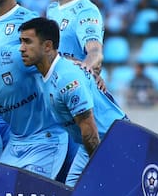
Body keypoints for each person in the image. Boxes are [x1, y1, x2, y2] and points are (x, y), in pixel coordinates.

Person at [0, 8, 67, 177]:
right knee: (1, 195)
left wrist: (85, 68)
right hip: (16, 143)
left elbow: (58, 63)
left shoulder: (18, 56)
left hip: (47, 138)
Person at [19, 17, 127, 187]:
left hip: (110, 141)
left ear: (47, 46)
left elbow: (89, 131)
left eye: (27, 42)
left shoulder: (67, 79)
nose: (21, 49)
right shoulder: (51, 70)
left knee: (99, 195)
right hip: (90, 145)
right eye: (20, 42)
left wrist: (99, 170)